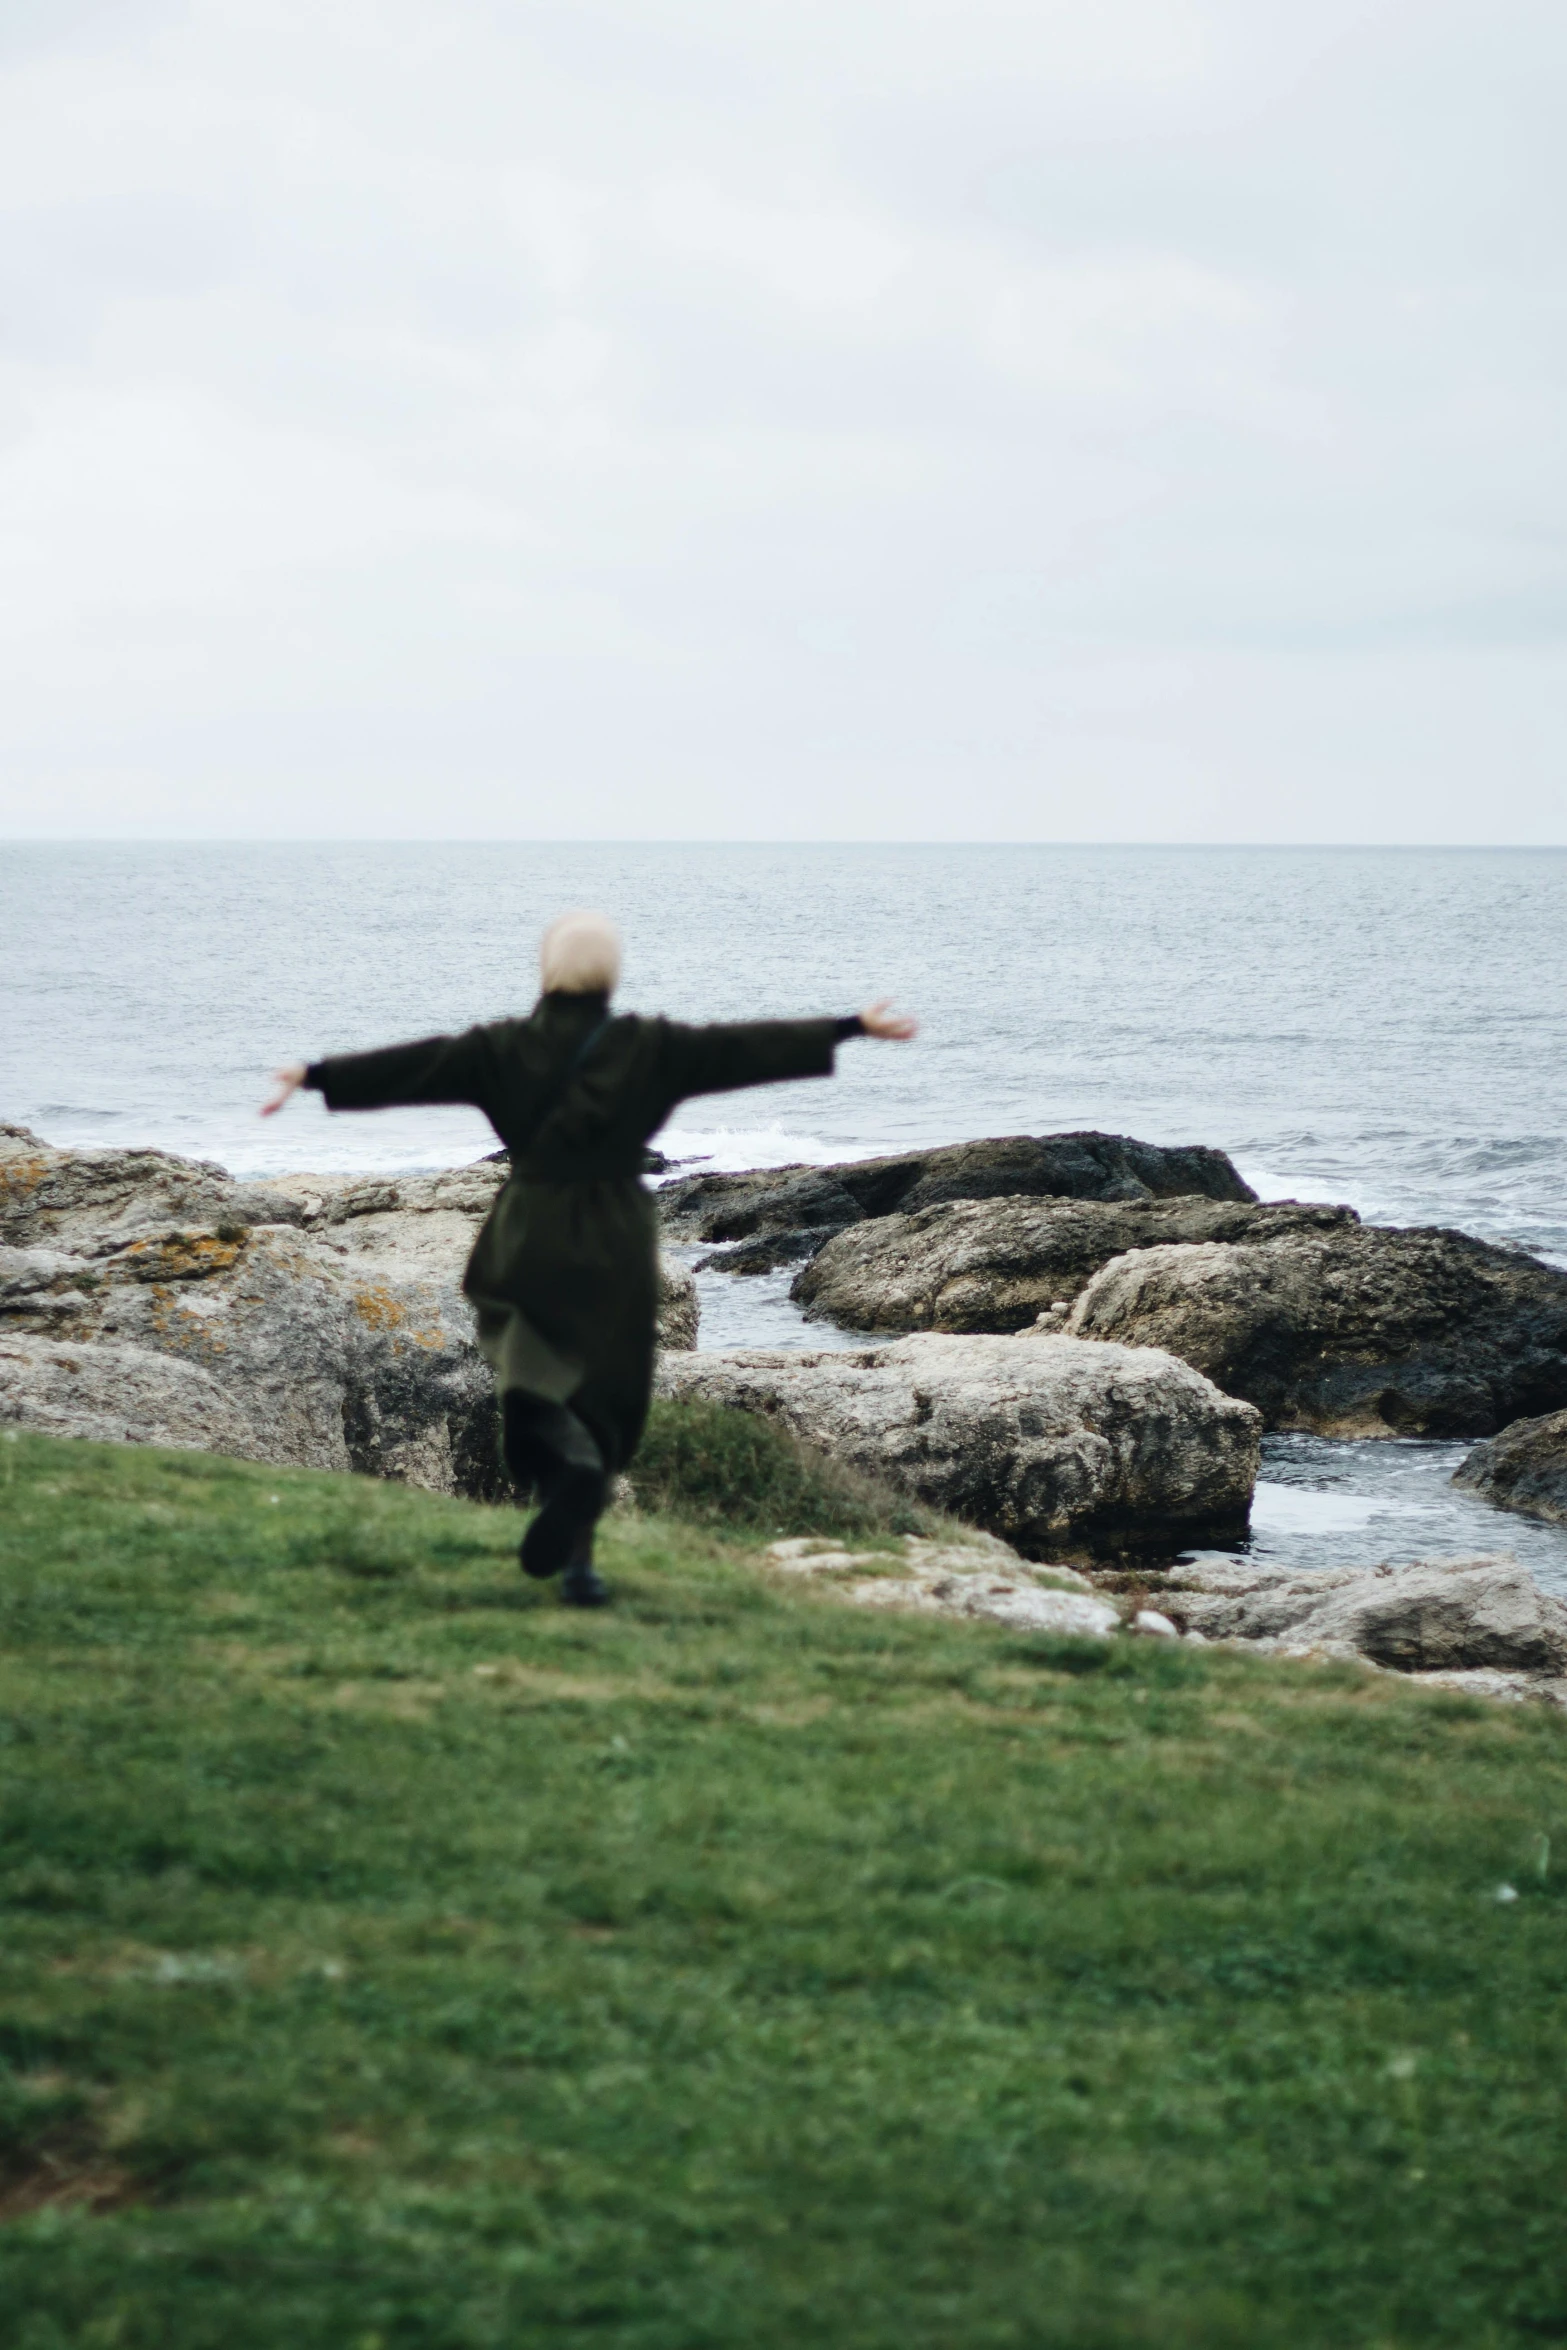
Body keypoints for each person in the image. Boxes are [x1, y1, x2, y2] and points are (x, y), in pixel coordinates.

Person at [262, 910, 917, 1606]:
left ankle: (557, 1463)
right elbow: (741, 1048)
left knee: (528, 1366)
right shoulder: (649, 1048)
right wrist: (849, 1026)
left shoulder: (501, 1049)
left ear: (546, 970)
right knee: (607, 1393)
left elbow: (416, 1066)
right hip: (614, 1234)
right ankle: (579, 1560)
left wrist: (315, 1075)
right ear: (612, 973)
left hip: (530, 1222)